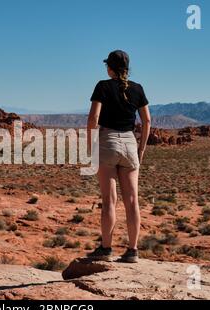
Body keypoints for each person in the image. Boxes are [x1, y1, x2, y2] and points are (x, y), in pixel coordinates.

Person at [87, 50, 151, 263]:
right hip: (130, 143)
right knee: (132, 200)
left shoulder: (103, 86)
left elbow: (94, 117)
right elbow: (147, 121)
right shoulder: (138, 88)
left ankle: (106, 249)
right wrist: (141, 148)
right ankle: (132, 251)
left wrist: (90, 146)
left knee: (109, 200)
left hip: (108, 142)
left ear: (109, 68)